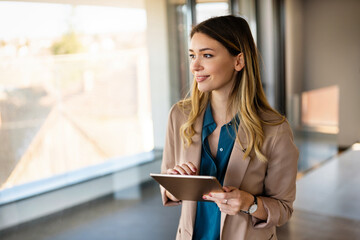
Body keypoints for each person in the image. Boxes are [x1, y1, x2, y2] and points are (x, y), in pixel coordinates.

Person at [160, 15, 299, 240]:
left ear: (239, 61)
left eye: (207, 55)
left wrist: (250, 204)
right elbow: (168, 190)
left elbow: (283, 208)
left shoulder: (275, 130)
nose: (195, 65)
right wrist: (176, 181)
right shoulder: (179, 116)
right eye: (192, 55)